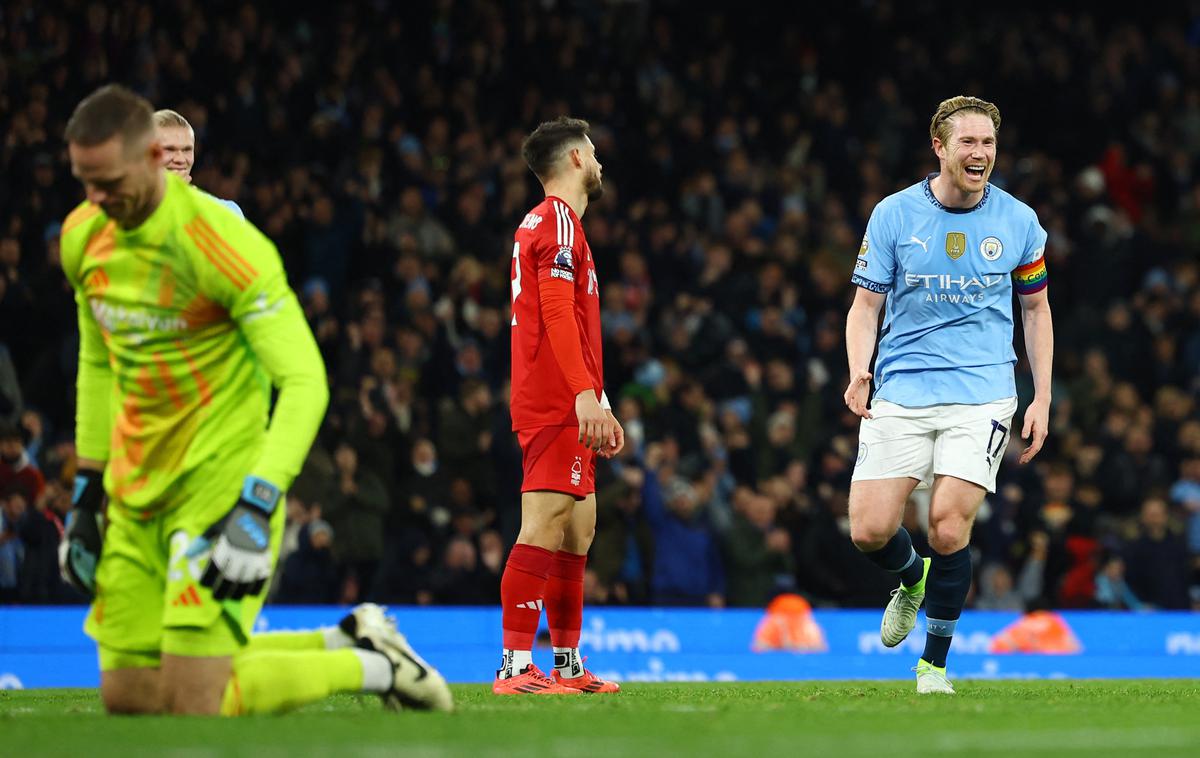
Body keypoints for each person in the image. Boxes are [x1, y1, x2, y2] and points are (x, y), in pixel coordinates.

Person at [55, 84, 451, 715]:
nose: (96, 199)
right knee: (130, 700)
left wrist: (256, 501)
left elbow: (304, 380)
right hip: (135, 491)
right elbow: (98, 361)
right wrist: (85, 489)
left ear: (153, 160)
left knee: (195, 702)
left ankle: (374, 668)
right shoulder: (83, 235)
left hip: (220, 486)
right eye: (84, 182)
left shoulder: (224, 241)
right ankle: (350, 638)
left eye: (107, 182)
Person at [843, 95, 1054, 694]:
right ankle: (910, 579)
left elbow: (1035, 312)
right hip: (904, 388)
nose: (980, 153)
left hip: (983, 393)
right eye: (968, 143)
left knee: (947, 526)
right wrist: (861, 369)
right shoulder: (892, 215)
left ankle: (933, 667)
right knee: (868, 530)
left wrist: (1040, 397)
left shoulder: (1019, 222)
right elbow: (865, 307)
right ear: (940, 148)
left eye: (987, 143)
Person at [495, 117, 623, 695]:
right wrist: (579, 396)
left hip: (567, 396)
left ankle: (567, 664)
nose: (599, 161)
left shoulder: (555, 226)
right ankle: (516, 666)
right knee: (544, 522)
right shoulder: (558, 223)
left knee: (578, 528)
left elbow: (571, 321)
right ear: (575, 160)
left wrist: (598, 397)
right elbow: (554, 316)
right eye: (592, 151)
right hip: (553, 399)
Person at [152, 108, 245, 219]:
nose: (181, 159)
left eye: (187, 150)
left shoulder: (227, 211)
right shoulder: (130, 213)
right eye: (169, 149)